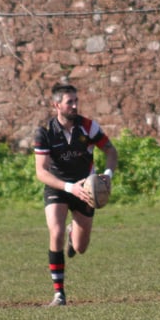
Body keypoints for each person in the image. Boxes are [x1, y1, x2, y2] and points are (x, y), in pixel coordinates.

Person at [34, 83, 118, 306]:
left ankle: (74, 234)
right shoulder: (44, 132)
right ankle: (59, 293)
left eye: (75, 101)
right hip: (58, 187)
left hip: (86, 189)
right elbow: (41, 172)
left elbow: (110, 151)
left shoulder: (88, 127)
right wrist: (69, 187)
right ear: (56, 105)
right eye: (69, 102)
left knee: (80, 247)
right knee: (56, 231)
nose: (74, 105)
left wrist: (107, 175)